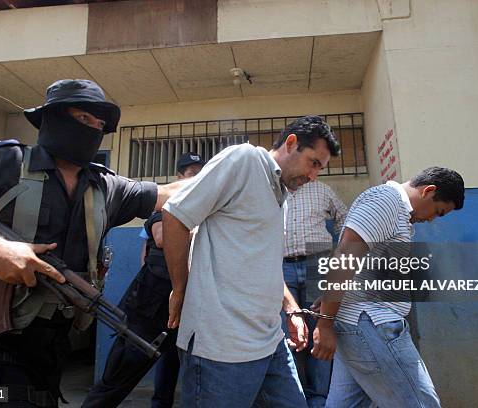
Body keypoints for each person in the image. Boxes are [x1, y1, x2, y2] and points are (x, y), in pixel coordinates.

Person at [0, 79, 183, 407]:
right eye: (84, 118)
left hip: (51, 348)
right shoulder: (2, 163)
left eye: (100, 125)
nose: (94, 129)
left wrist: (241, 163)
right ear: (52, 118)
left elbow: (171, 194)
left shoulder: (104, 186)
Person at [162, 115, 341, 407]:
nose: (313, 176)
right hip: (221, 347)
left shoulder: (281, 194)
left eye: (320, 168)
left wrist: (291, 309)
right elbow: (175, 215)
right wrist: (180, 289)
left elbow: (263, 264)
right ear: (291, 143)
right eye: (313, 163)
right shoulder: (244, 160)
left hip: (269, 340)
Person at [311, 167, 465, 408]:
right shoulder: (387, 202)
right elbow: (346, 256)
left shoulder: (396, 211)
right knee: (420, 404)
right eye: (438, 212)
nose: (431, 219)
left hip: (361, 323)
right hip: (371, 323)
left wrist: (332, 299)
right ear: (429, 191)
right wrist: (325, 322)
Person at [82, 152, 205, 408]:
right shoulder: (165, 210)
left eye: (200, 173)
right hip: (149, 305)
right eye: (191, 173)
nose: (197, 178)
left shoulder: (200, 213)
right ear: (180, 178)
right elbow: (161, 239)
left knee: (178, 364)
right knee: (121, 372)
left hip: (183, 303)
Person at [282, 180, 347, 407]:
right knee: (289, 333)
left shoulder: (322, 189)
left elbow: (344, 219)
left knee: (320, 329)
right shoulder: (273, 189)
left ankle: (319, 398)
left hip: (316, 263)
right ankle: (294, 396)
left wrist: (340, 252)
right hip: (281, 265)